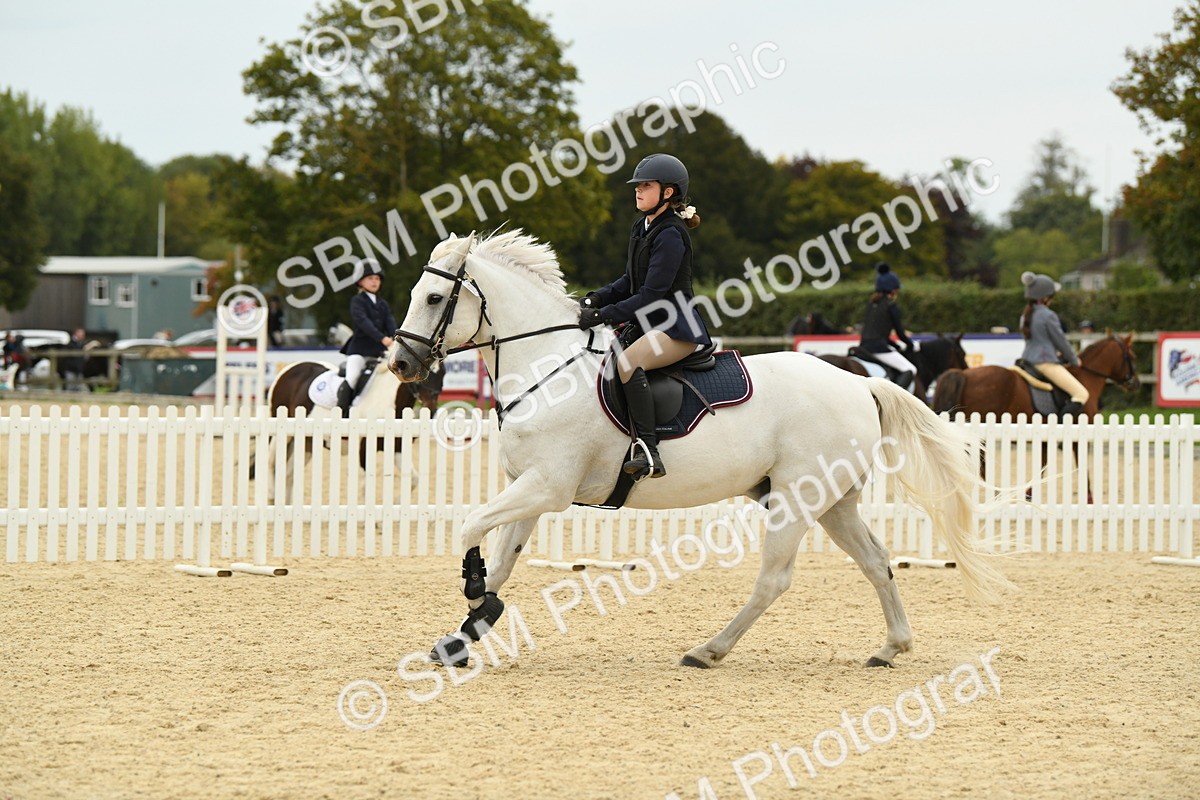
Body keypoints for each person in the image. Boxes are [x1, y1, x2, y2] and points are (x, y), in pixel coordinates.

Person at [578, 153, 712, 480]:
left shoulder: (670, 233)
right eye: (637, 186)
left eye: (646, 186)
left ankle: (649, 450)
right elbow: (628, 282)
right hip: (649, 324)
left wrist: (604, 315)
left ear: (668, 192)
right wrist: (594, 298)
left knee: (627, 363)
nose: (638, 191)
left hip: (677, 329)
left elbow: (651, 296)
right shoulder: (642, 226)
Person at [1020, 271, 1088, 416]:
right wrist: (1075, 360)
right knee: (1081, 394)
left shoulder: (1025, 315)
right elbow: (1061, 342)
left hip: (1027, 360)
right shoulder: (1048, 315)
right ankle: (1060, 430)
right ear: (1045, 298)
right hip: (1045, 363)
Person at [338, 258, 397, 418]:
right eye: (370, 278)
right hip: (360, 350)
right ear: (360, 281)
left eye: (377, 278)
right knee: (353, 376)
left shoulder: (383, 304)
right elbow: (363, 323)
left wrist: (396, 338)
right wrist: (383, 339)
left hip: (380, 353)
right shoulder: (357, 301)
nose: (374, 281)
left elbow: (390, 322)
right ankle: (342, 412)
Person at [859, 262, 915, 388]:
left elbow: (879, 332)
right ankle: (895, 402)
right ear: (893, 290)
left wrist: (894, 345)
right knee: (910, 369)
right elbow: (900, 333)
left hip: (864, 346)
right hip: (878, 348)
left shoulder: (871, 304)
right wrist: (910, 345)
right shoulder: (891, 306)